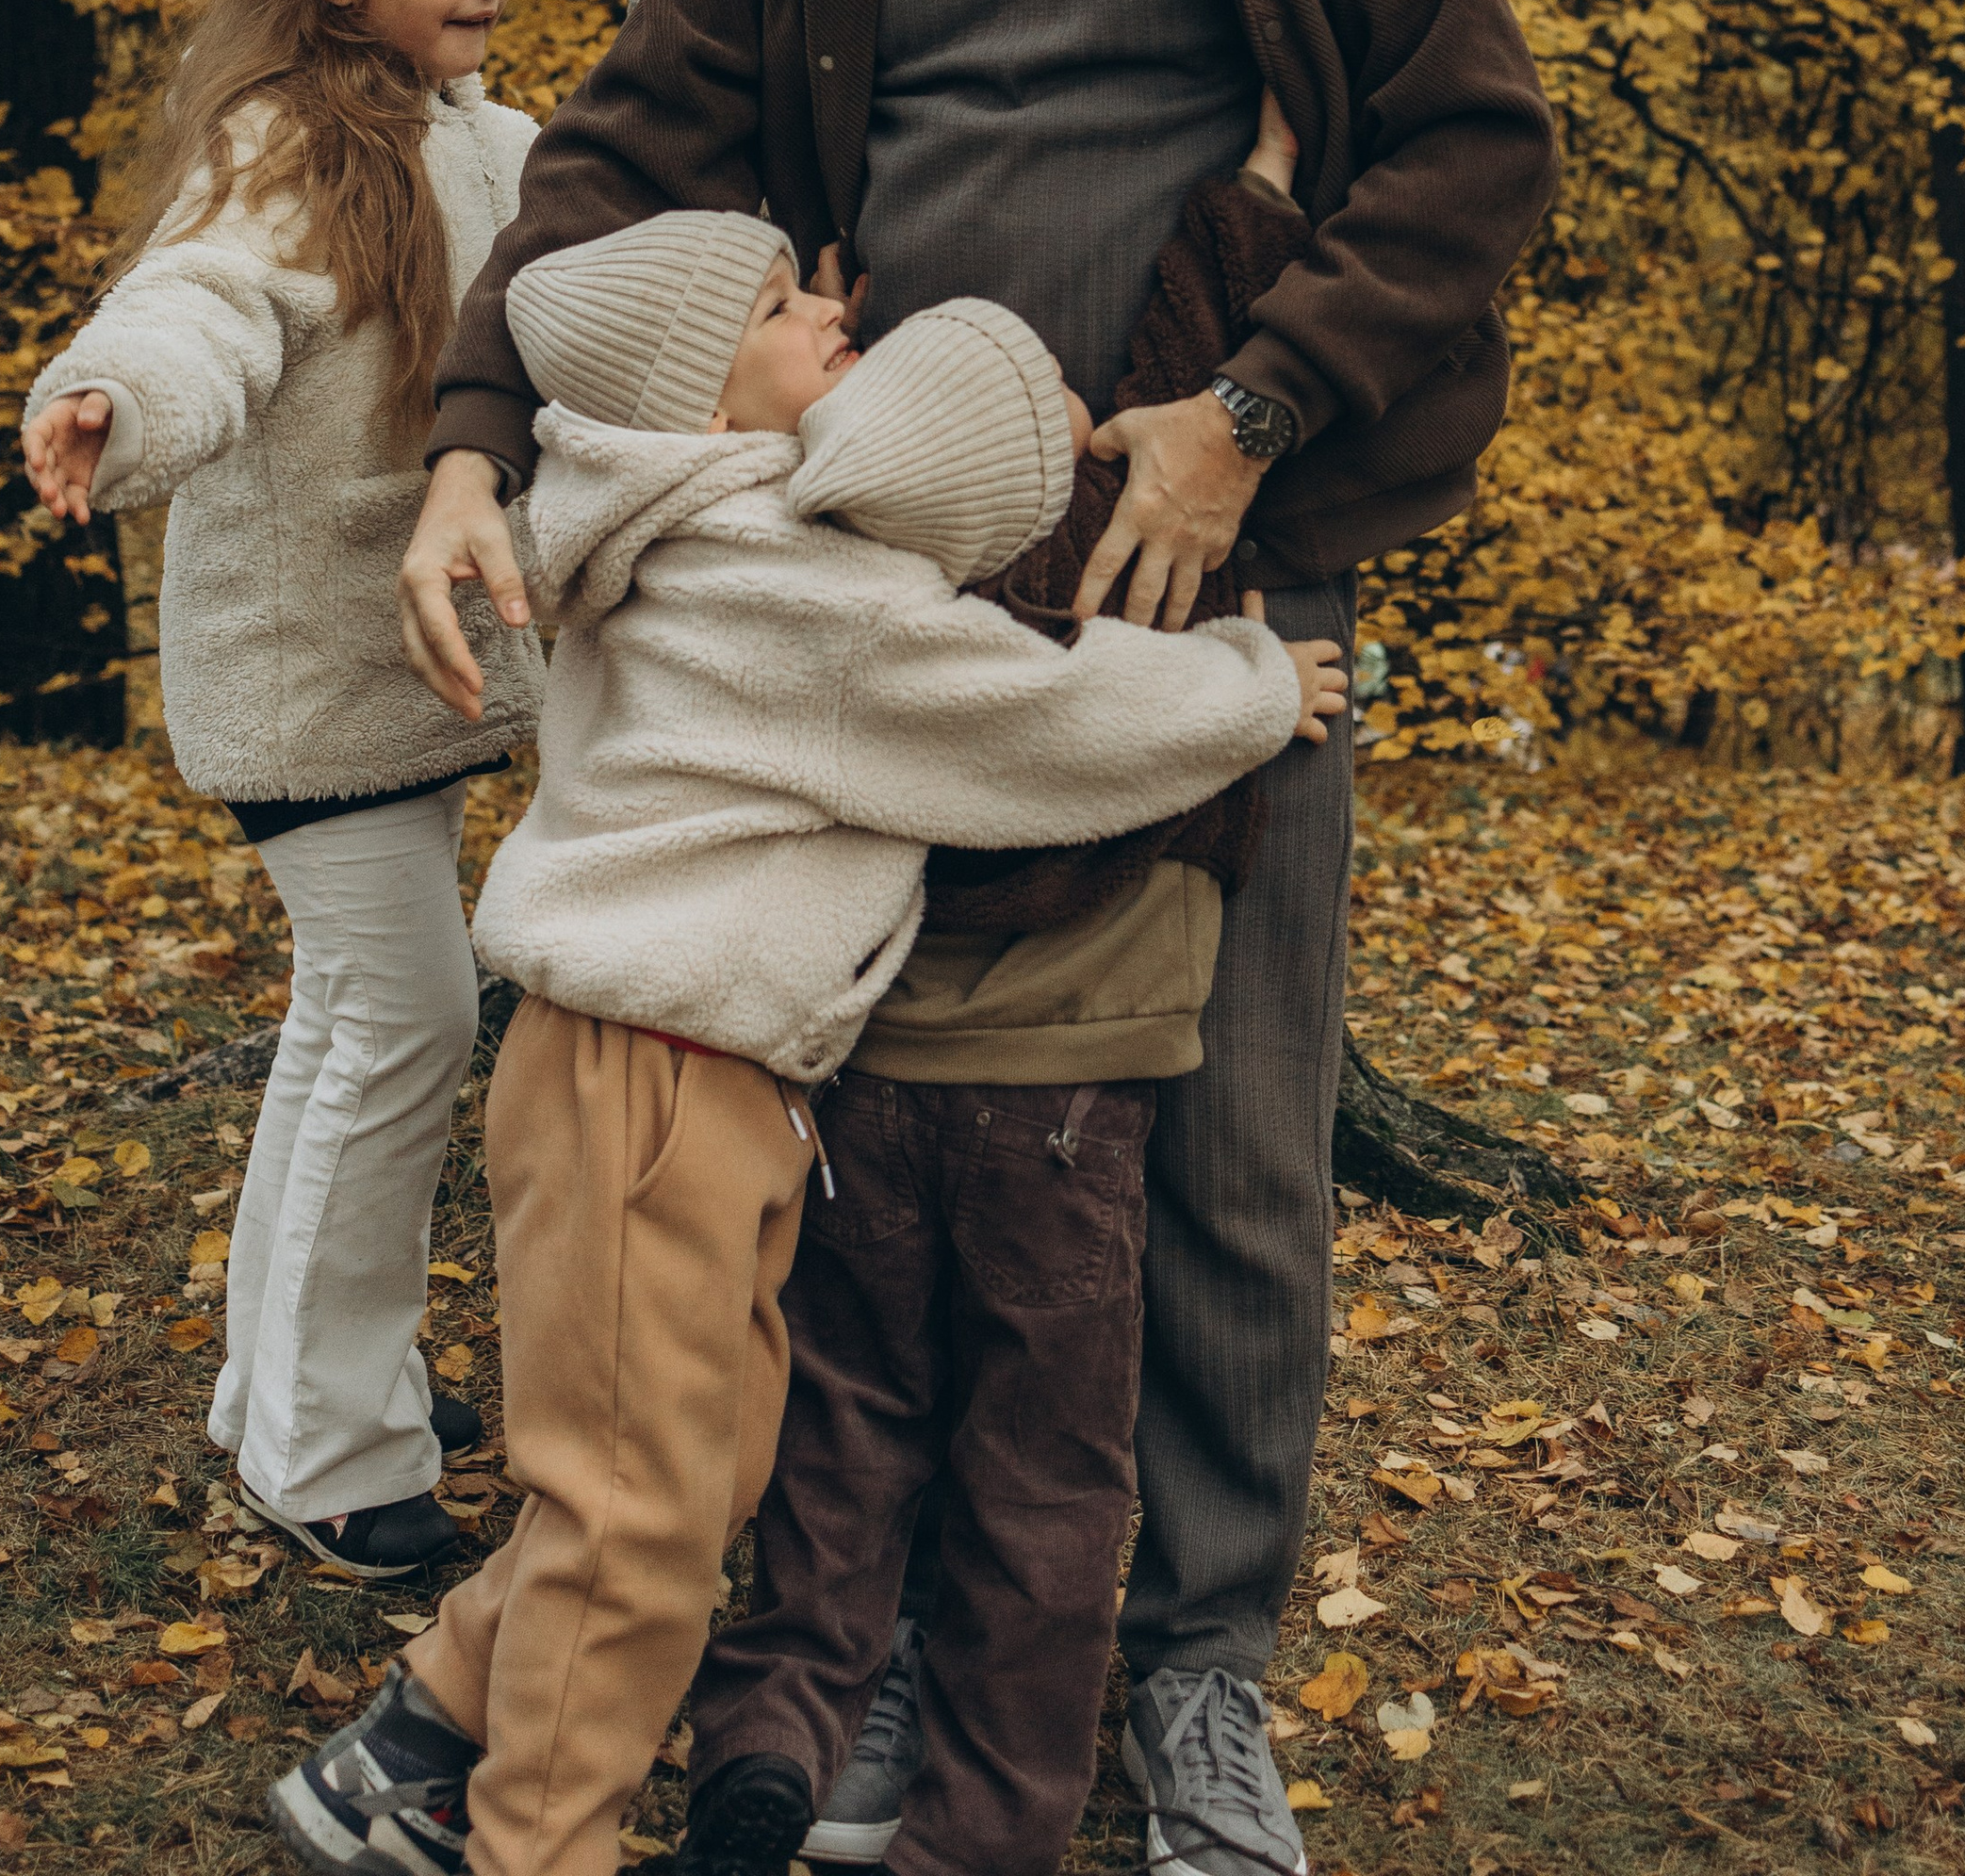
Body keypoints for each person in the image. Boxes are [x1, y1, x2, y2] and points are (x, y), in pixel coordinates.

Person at [401, 0, 1559, 1876]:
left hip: (1209, 548)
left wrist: (1249, 410)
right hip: (886, 595)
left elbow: (1478, 145)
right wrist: (475, 437)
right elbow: (619, 160)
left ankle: (1198, 1674)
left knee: (1229, 1131)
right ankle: (899, 1639)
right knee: (901, 1144)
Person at [273, 209, 1341, 1876]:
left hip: (687, 1078)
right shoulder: (773, 584)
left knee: (690, 1472)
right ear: (706, 409)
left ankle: (418, 1734)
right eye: (781, 308)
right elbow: (1026, 712)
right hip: (654, 1082)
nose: (833, 310)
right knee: (639, 1513)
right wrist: (1252, 689)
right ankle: (534, 1841)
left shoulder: (688, 531)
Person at [681, 106, 1325, 1876]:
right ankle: (980, 1828)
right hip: (1074, 1098)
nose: (1078, 397)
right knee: (1047, 1472)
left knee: (846, 1427)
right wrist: (1260, 185)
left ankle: (781, 1723)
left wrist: (812, 338)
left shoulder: (835, 580)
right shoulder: (1133, 563)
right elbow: (1186, 347)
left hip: (870, 1081)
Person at [21, 0, 543, 1582]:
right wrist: (114, 401)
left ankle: (293, 1381)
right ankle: (326, 1449)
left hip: (411, 675)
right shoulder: (285, 146)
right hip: (307, 686)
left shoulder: (500, 141)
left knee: (351, 1021)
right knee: (406, 1020)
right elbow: (198, 307)